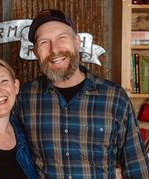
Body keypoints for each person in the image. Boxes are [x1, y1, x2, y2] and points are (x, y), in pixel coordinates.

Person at [14, 9, 149, 178]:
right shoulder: (23, 99)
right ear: (35, 52)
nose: (54, 49)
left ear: (77, 42)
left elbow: (137, 168)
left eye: (62, 38)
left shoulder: (114, 98)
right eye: (44, 42)